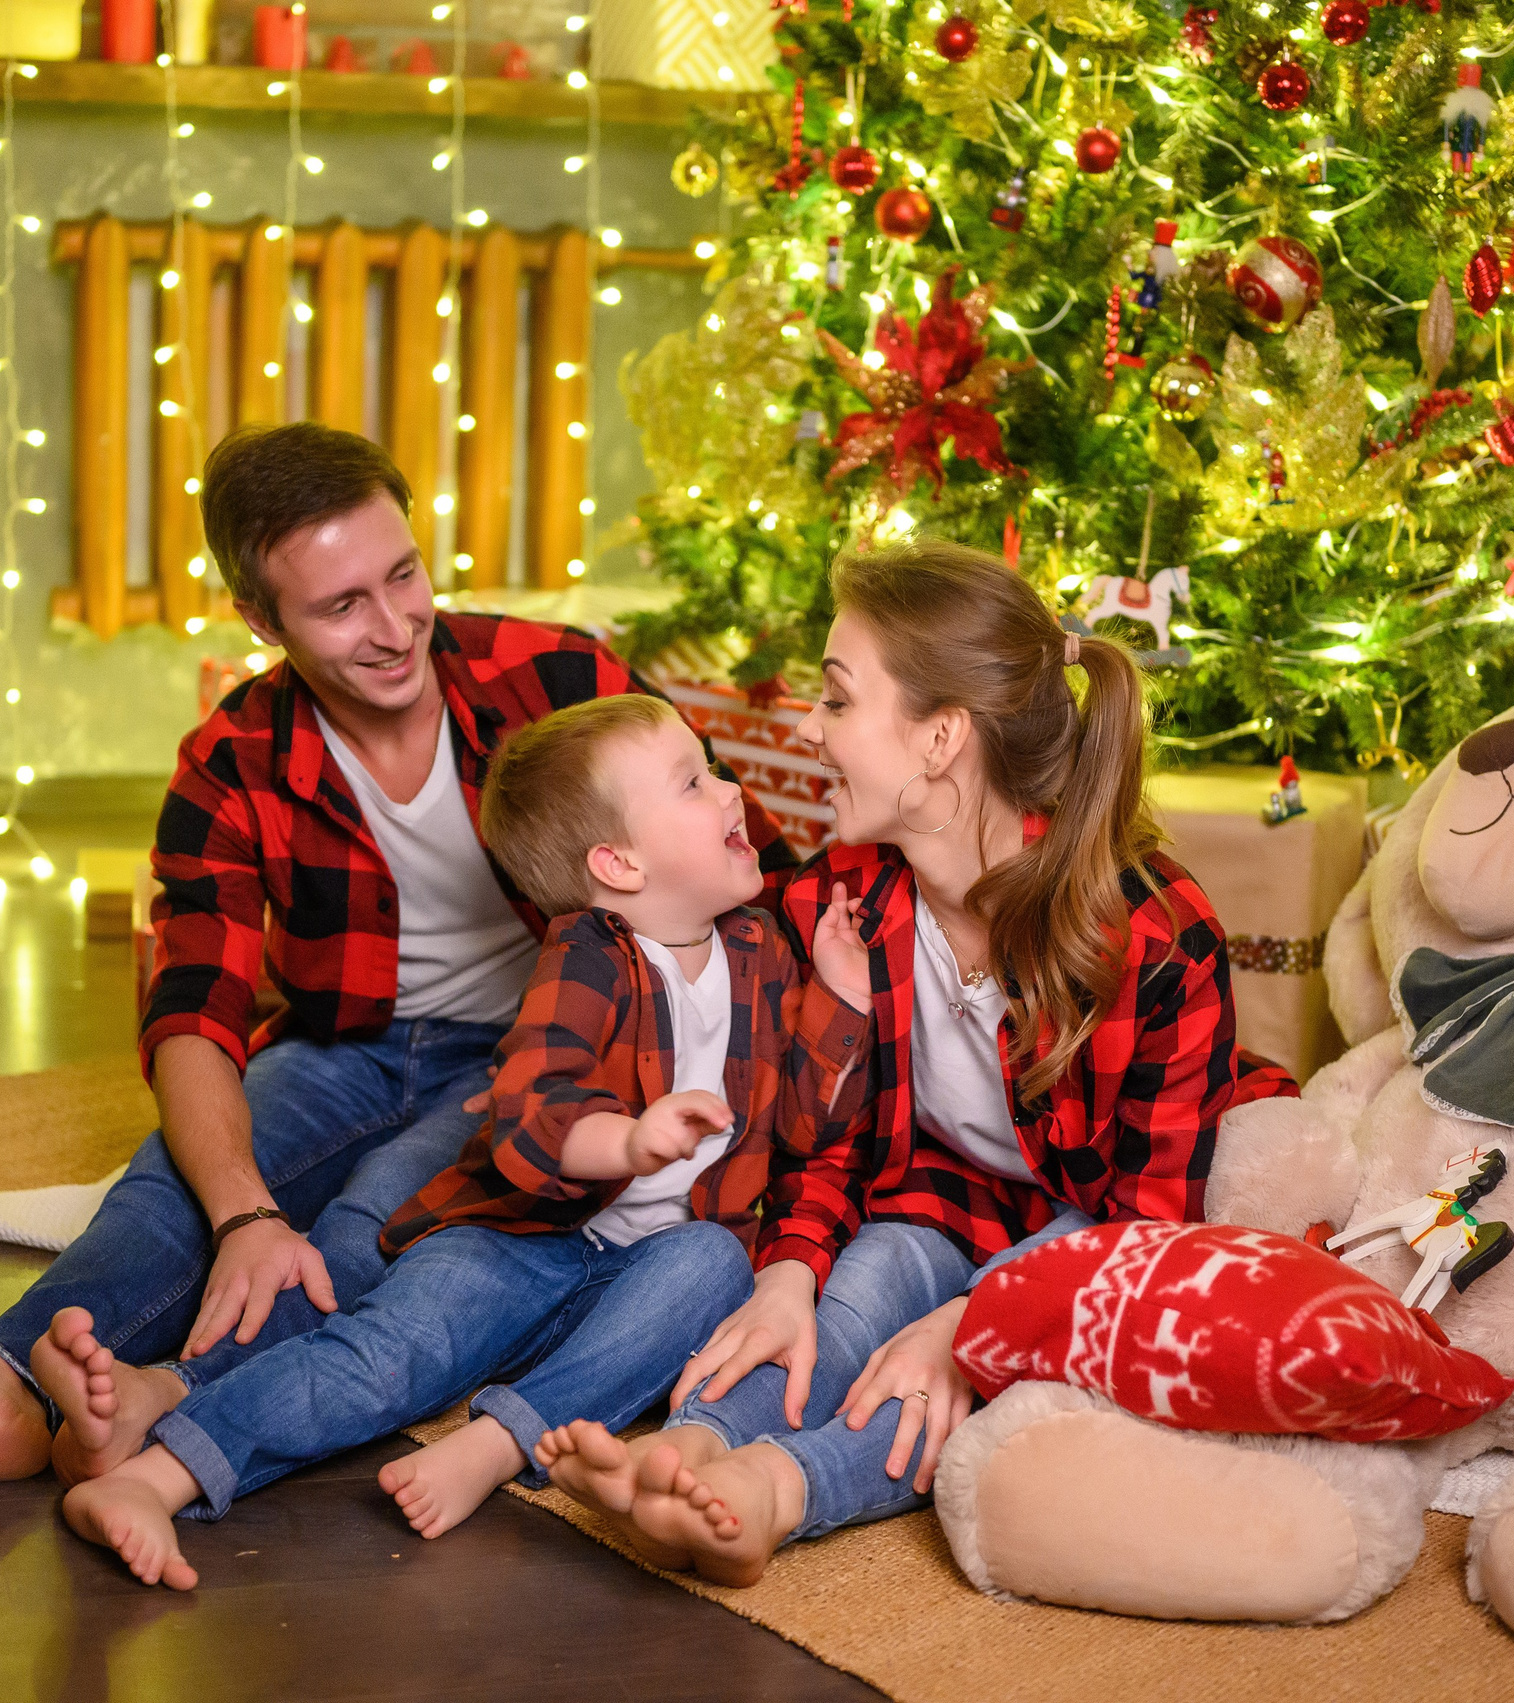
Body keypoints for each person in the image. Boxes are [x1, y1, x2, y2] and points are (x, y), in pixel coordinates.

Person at [0, 424, 796, 1484]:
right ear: (260, 619)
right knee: (176, 1181)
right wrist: (247, 1212)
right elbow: (191, 1017)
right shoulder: (231, 760)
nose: (396, 625)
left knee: (387, 1216)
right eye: (340, 605)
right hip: (345, 1045)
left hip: (539, 1048)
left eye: (403, 574)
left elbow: (745, 856)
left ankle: (169, 1398)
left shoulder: (555, 675)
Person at [539, 540, 1297, 1584]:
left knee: (971, 1371)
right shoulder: (840, 899)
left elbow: (1149, 1226)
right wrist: (792, 1267)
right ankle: (688, 1450)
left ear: (941, 738)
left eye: (838, 700)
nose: (806, 728)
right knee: (866, 1278)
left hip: (1100, 1224)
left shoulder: (1155, 937)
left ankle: (772, 1492)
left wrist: (975, 1320)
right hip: (943, 1195)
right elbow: (828, 1133)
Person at [47, 694, 874, 1587]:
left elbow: (804, 1126)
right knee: (388, 1356)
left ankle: (494, 1442)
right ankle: (153, 1478)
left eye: (710, 768)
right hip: (526, 1236)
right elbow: (530, 1111)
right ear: (618, 862)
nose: (729, 790)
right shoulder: (589, 957)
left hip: (650, 1262)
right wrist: (630, 1140)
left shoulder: (762, 951)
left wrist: (843, 1003)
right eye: (693, 781)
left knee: (714, 1262)